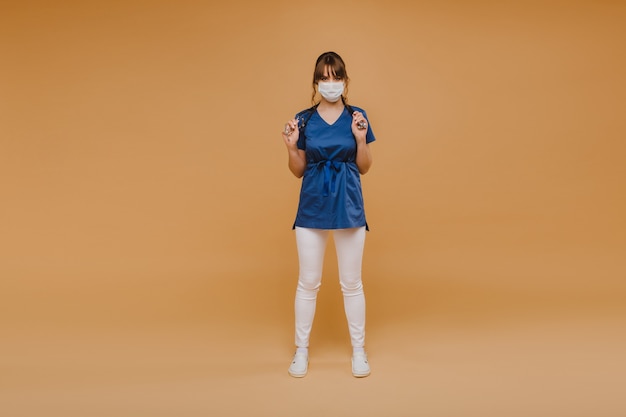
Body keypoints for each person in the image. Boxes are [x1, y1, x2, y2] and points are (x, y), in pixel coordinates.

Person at [281, 51, 376, 378]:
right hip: (313, 204)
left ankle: (359, 351)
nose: (330, 83)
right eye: (324, 77)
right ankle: (301, 351)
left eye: (336, 77)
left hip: (348, 204)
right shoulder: (304, 120)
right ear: (316, 82)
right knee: (308, 282)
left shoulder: (357, 116)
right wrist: (292, 147)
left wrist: (361, 139)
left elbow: (364, 166)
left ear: (345, 80)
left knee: (351, 283)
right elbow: (298, 171)